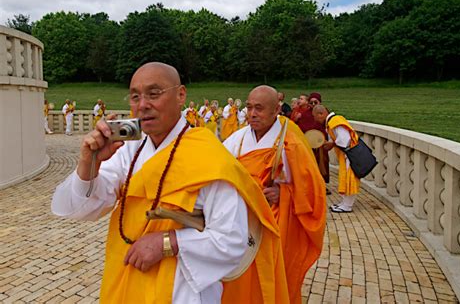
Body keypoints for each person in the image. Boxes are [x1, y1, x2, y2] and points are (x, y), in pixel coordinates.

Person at [51, 62, 288, 303]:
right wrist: (88, 163)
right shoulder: (128, 150)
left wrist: (169, 242)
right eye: (135, 96)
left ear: (181, 95)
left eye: (154, 94)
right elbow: (82, 208)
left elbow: (231, 240)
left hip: (182, 291)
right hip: (127, 278)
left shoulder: (209, 156)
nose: (143, 105)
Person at [223, 85, 326, 303]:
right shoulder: (237, 140)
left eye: (259, 108)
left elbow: (312, 191)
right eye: (249, 107)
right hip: (241, 219)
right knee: (239, 276)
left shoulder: (292, 143)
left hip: (276, 222)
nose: (252, 114)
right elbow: (217, 174)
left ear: (276, 110)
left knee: (273, 275)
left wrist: (284, 192)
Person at [313, 105, 360, 212]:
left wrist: (331, 144)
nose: (315, 120)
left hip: (350, 155)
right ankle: (344, 203)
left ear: (321, 114)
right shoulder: (331, 123)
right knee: (345, 178)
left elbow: (345, 140)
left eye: (315, 117)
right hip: (346, 155)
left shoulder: (335, 122)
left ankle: (347, 206)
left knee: (349, 179)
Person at [308, 92, 331, 191]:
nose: (313, 104)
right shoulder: (306, 114)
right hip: (310, 145)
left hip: (322, 145)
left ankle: (322, 186)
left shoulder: (324, 114)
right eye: (311, 102)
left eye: (315, 102)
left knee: (323, 165)